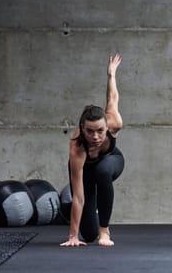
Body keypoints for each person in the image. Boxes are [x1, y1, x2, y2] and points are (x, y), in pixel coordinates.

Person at [60, 53, 124, 247]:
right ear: (82, 128)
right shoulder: (77, 147)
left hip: (112, 160)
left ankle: (104, 231)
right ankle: (94, 229)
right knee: (87, 234)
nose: (95, 137)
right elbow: (78, 197)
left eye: (100, 131)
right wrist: (73, 236)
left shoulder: (114, 123)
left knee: (102, 171)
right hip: (87, 171)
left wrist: (111, 75)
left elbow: (112, 97)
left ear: (107, 126)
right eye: (89, 131)